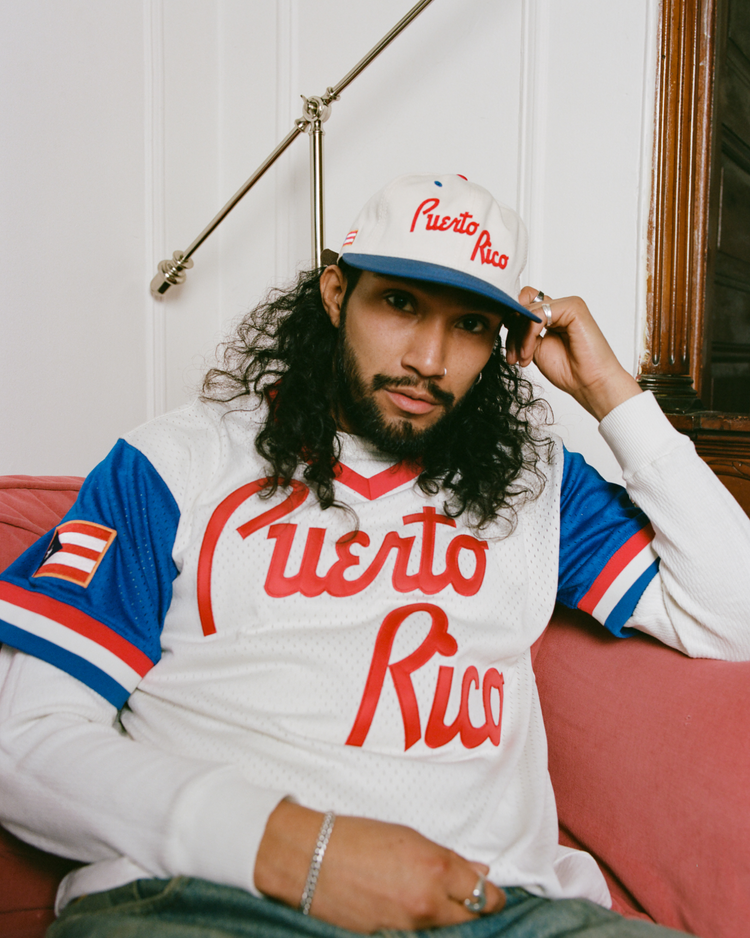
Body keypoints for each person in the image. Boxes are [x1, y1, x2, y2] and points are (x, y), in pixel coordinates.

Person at [0, 173, 749, 938]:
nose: (429, 358)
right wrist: (298, 849)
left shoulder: (534, 483)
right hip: (213, 897)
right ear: (335, 294)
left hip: (504, 911)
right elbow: (28, 743)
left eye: (469, 325)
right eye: (399, 304)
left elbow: (735, 617)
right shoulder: (173, 463)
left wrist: (611, 392)